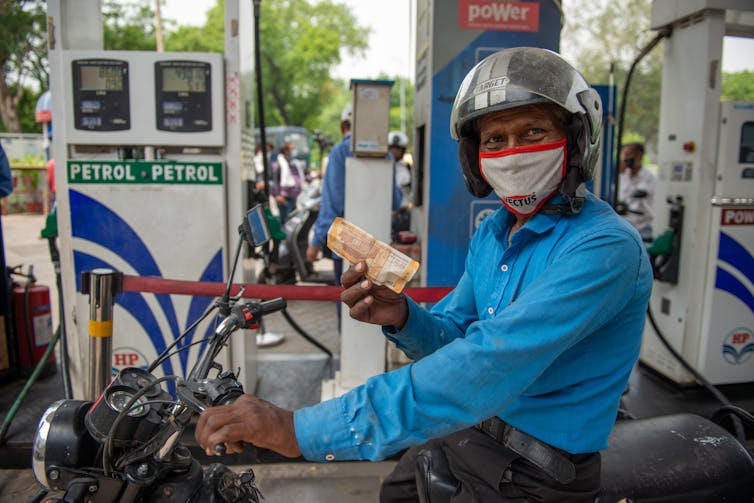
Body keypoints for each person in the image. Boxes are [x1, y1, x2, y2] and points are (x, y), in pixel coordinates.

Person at [196, 47, 653, 502]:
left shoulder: (603, 248)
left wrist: (297, 429)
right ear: (476, 155)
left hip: (535, 473)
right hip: (470, 432)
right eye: (495, 140)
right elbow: (455, 334)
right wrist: (404, 318)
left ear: (576, 139)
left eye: (533, 131)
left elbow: (483, 365)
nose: (512, 153)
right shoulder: (495, 233)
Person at [305, 105, 402, 285]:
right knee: (376, 302)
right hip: (378, 244)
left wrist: (316, 241)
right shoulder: (386, 156)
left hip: (345, 246)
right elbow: (395, 202)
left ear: (343, 127)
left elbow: (332, 206)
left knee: (348, 305)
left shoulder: (338, 153)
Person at [617, 142, 655, 241]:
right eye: (624, 155)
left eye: (629, 154)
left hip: (641, 227)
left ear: (639, 156)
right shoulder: (623, 176)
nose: (626, 158)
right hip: (624, 226)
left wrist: (626, 202)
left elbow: (641, 191)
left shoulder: (648, 177)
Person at [270, 141, 309, 224]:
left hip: (293, 197)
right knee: (284, 221)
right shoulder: (279, 164)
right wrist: (277, 195)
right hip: (284, 197)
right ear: (286, 151)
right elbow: (275, 180)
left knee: (291, 221)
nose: (293, 152)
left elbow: (298, 176)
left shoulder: (291, 162)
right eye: (292, 149)